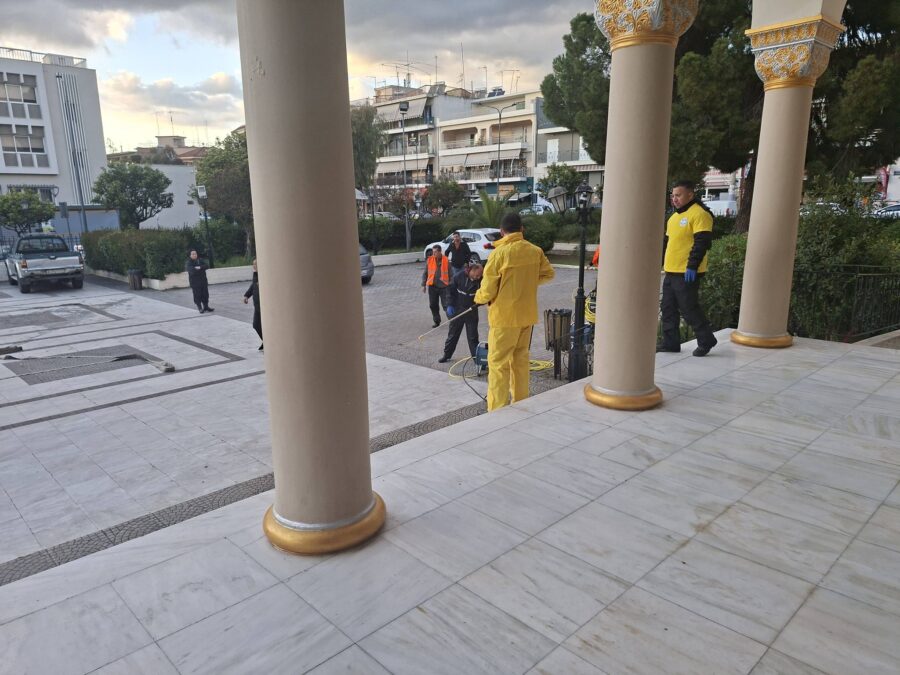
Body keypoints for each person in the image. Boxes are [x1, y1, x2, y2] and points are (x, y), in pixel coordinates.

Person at [474, 212, 555, 411]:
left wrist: (478, 298)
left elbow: (487, 291)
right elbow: (548, 274)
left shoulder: (498, 254)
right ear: (522, 229)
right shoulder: (535, 251)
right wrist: (527, 283)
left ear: (502, 232)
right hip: (526, 316)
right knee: (520, 360)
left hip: (504, 318)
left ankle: (497, 410)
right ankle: (521, 403)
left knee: (498, 363)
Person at [658, 180, 717, 356]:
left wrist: (692, 266)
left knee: (688, 308)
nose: (674, 199)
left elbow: (702, 242)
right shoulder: (673, 217)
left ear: (690, 195)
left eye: (678, 195)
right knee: (668, 308)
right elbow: (668, 243)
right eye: (673, 195)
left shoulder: (700, 214)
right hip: (671, 270)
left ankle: (706, 340)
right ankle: (671, 343)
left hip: (687, 272)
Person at [439, 263, 483, 364]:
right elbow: (450, 290)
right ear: (471, 270)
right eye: (477, 275)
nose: (478, 277)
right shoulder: (459, 276)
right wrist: (450, 304)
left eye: (480, 275)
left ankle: (477, 359)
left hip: (471, 311)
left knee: (473, 337)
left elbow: (485, 296)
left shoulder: (482, 281)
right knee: (453, 334)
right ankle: (446, 355)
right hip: (458, 310)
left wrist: (478, 304)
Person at [422, 244, 451, 328]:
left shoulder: (446, 260)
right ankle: (437, 321)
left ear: (440, 252)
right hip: (432, 287)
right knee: (433, 305)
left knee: (446, 305)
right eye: (433, 252)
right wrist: (423, 284)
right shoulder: (430, 260)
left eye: (435, 252)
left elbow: (451, 274)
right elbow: (425, 273)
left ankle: (452, 320)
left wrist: (451, 284)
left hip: (444, 287)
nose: (433, 254)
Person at [243, 258, 262, 350]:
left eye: (255, 264)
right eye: (253, 264)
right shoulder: (256, 275)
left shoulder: (263, 275)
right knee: (256, 325)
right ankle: (266, 340)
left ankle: (268, 341)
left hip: (263, 307)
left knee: (262, 325)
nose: (253, 266)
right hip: (257, 306)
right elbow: (253, 286)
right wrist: (246, 295)